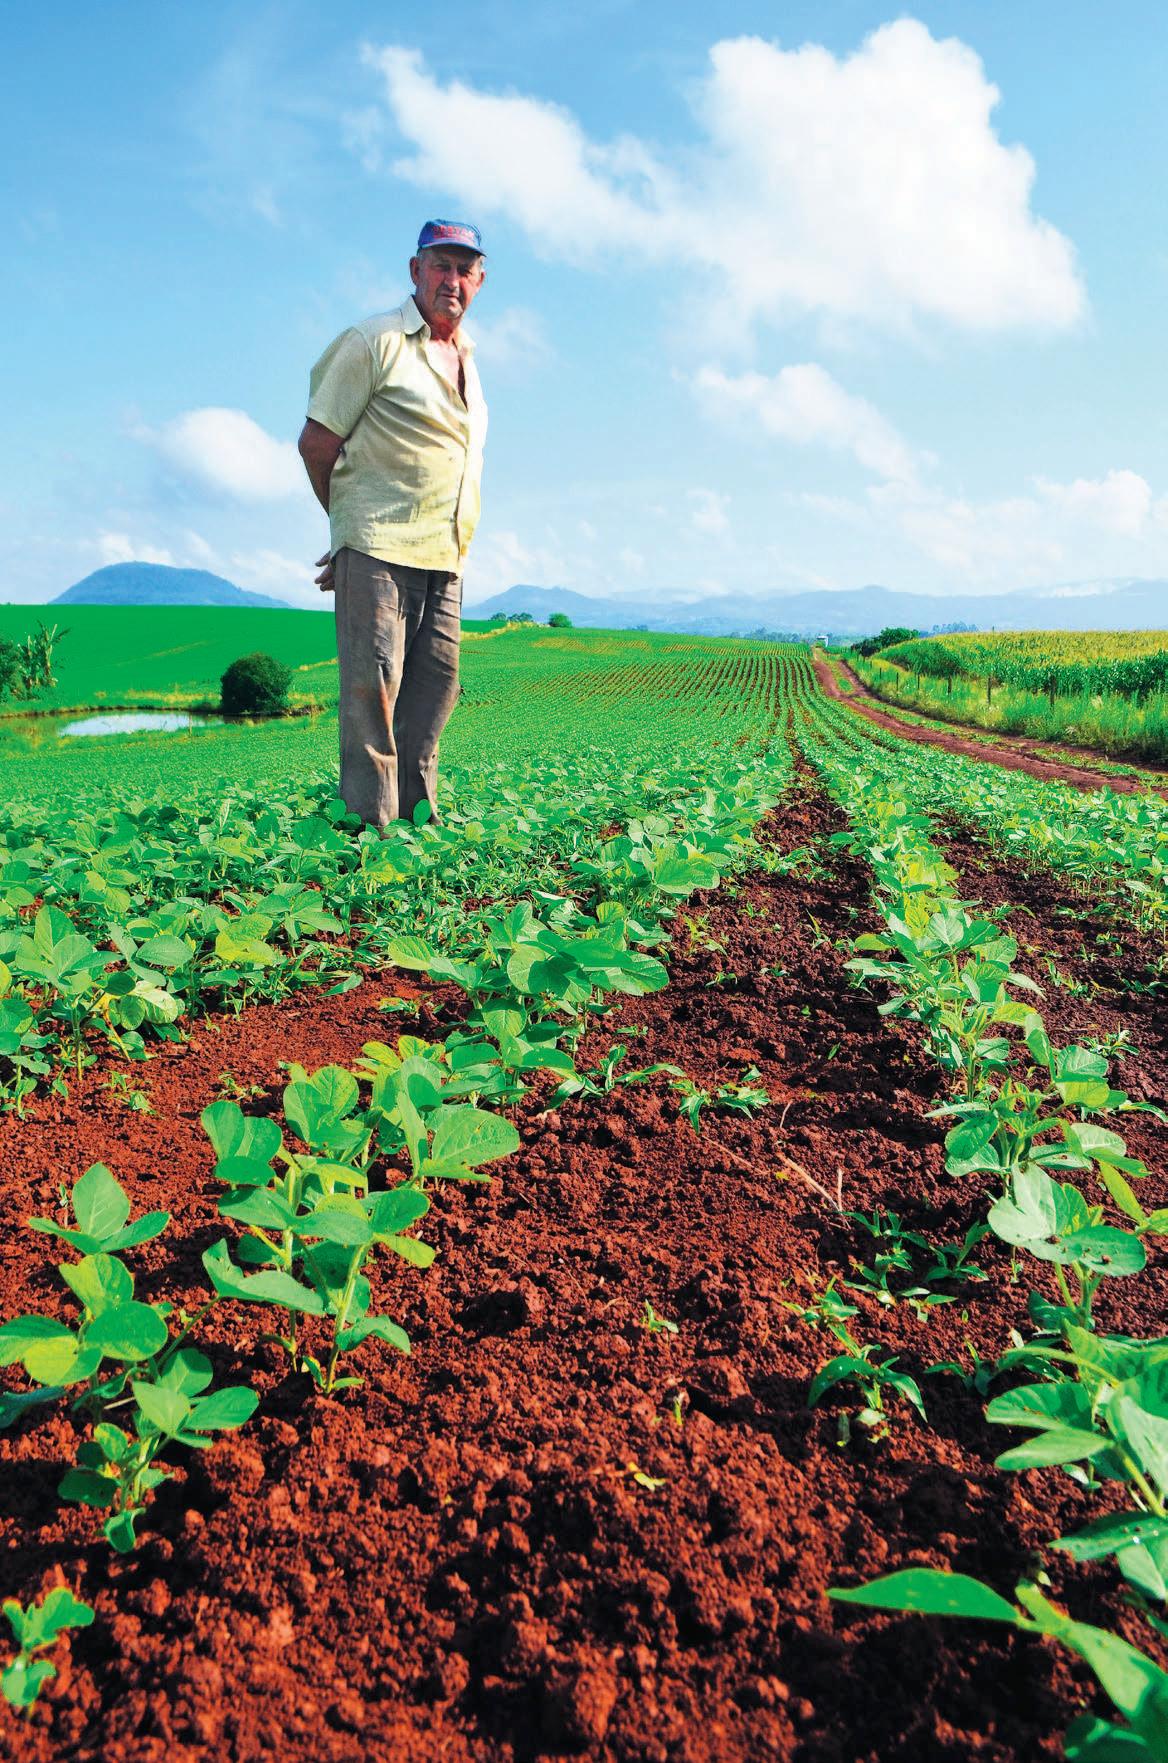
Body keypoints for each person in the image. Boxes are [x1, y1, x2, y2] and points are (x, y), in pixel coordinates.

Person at [298, 220, 488, 828]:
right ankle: (368, 837)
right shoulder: (373, 342)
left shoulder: (468, 359)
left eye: (464, 270)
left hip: (446, 555)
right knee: (372, 699)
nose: (452, 280)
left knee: (435, 692)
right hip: (379, 548)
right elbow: (317, 443)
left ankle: (416, 823)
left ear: (479, 281)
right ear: (415, 271)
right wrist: (349, 533)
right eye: (440, 266)